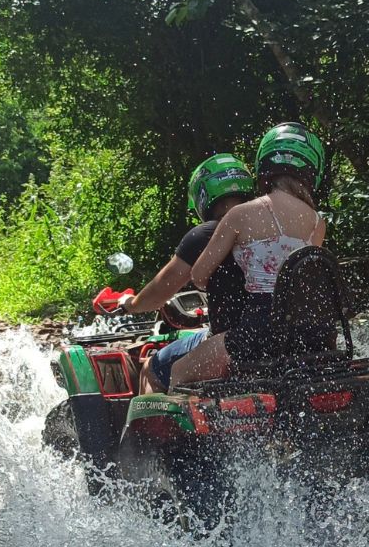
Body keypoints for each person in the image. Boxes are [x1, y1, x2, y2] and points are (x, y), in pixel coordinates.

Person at [165, 122, 330, 386]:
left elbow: (199, 275)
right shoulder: (317, 223)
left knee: (179, 372)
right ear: (314, 170)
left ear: (263, 165)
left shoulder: (240, 215)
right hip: (312, 335)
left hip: (258, 335)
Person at [118, 153, 253, 393]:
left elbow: (159, 293)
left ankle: (151, 431)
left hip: (227, 343)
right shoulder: (266, 228)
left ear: (204, 194)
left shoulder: (206, 234)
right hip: (268, 338)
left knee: (152, 368)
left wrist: (130, 304)